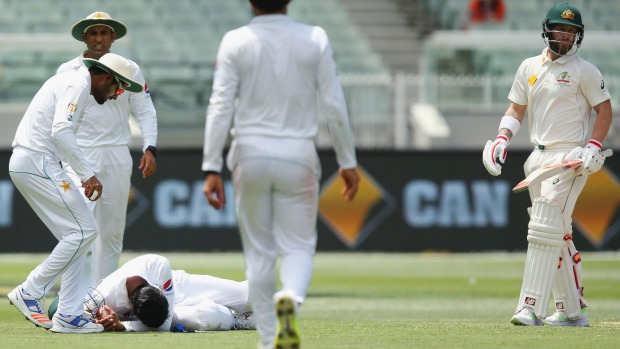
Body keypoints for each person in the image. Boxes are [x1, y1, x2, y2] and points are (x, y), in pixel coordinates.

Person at [201, 0, 360, 347]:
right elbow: (334, 104)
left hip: (249, 154)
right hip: (298, 154)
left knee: (259, 253)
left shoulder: (235, 40)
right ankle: (291, 298)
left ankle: (268, 338)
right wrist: (347, 162)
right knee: (299, 245)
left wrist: (211, 165)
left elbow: (220, 105)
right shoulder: (315, 37)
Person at [482, 3, 612, 327]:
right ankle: (571, 312)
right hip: (537, 159)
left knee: (544, 226)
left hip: (570, 157)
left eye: (571, 31)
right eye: (561, 29)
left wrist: (593, 146)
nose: (566, 35)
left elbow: (605, 110)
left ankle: (529, 307)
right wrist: (501, 138)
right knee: (558, 234)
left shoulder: (584, 70)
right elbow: (516, 108)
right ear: (548, 30)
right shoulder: (529, 67)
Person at [7, 53, 143, 333]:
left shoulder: (76, 83)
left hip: (42, 162)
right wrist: (87, 174)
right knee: (82, 232)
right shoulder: (77, 83)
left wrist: (79, 173)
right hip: (37, 160)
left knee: (81, 233)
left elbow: (61, 134)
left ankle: (68, 314)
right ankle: (31, 290)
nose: (118, 96)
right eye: (118, 88)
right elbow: (61, 130)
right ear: (106, 77)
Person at [57, 12, 158, 287]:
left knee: (112, 234)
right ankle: (73, 296)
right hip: (80, 155)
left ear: (113, 37)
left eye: (104, 33)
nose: (99, 38)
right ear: (85, 37)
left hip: (116, 152)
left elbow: (145, 110)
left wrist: (150, 147)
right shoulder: (69, 71)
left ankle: (101, 298)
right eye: (94, 33)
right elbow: (59, 120)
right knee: (80, 229)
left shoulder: (130, 69)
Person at [48, 254, 255, 332]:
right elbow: (56, 311)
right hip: (157, 315)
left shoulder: (157, 265)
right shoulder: (103, 298)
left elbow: (163, 326)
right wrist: (109, 322)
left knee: (248, 295)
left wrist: (124, 325)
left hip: (180, 286)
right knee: (214, 317)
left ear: (157, 289)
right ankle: (237, 319)